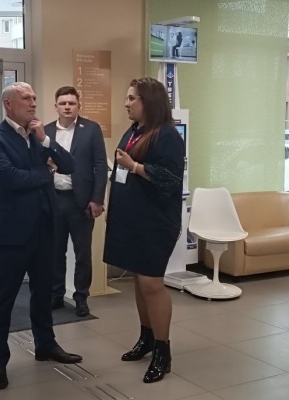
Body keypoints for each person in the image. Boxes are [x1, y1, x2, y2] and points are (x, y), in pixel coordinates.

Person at [0, 82, 83, 390]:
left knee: (43, 294)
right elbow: (9, 178)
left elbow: (69, 165)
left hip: (43, 228)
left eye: (35, 98)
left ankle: (46, 345)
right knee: (3, 298)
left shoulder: (40, 135)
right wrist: (46, 173)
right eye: (26, 98)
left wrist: (46, 141)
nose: (33, 103)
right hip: (10, 232)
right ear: (8, 104)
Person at [103, 77, 184, 383]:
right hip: (131, 218)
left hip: (155, 222)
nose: (126, 103)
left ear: (147, 101)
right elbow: (119, 173)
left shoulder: (167, 136)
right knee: (139, 282)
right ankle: (146, 338)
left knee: (151, 283)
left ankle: (163, 351)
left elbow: (170, 179)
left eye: (131, 98)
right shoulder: (134, 131)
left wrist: (135, 166)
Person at [45, 86, 107, 317]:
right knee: (55, 252)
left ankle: (81, 297)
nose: (67, 107)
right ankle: (56, 294)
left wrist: (97, 199)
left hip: (81, 202)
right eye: (63, 103)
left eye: (71, 103)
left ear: (78, 105)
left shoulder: (91, 129)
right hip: (54, 200)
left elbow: (101, 165)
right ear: (56, 106)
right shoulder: (46, 131)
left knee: (82, 254)